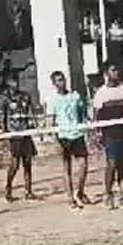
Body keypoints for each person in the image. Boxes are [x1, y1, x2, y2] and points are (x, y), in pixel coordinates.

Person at [92, 63, 123, 210]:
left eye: (117, 69)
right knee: (111, 163)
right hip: (110, 134)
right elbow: (96, 115)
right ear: (107, 73)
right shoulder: (101, 93)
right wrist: (97, 134)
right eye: (113, 70)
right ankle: (108, 194)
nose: (116, 72)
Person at [46, 70, 92, 209]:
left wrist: (87, 125)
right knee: (67, 169)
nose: (61, 82)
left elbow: (82, 113)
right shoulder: (52, 100)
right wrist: (54, 139)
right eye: (58, 80)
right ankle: (70, 198)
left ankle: (80, 192)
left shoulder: (74, 96)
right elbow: (50, 120)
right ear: (54, 84)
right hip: (63, 137)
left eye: (62, 79)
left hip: (77, 134)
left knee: (83, 165)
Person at [0, 71, 40, 202]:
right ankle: (8, 190)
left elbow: (30, 112)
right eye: (12, 81)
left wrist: (35, 126)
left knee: (28, 162)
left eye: (16, 80)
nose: (15, 83)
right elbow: (2, 117)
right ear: (7, 83)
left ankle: (28, 191)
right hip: (13, 135)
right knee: (15, 164)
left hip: (25, 133)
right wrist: (5, 135)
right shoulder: (4, 99)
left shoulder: (25, 96)